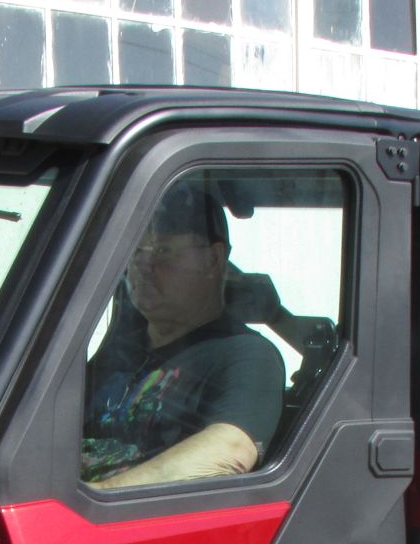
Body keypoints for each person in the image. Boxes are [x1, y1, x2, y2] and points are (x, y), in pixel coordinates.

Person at [81, 183, 284, 488]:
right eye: (136, 252)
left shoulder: (247, 355)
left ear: (213, 261)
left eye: (163, 251)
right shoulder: (119, 348)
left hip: (135, 522)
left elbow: (229, 450)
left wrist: (96, 497)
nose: (142, 266)